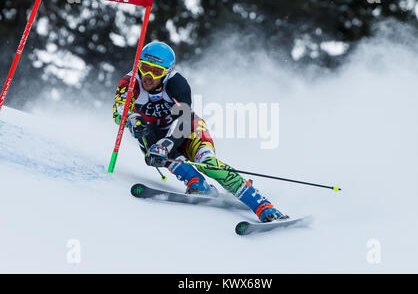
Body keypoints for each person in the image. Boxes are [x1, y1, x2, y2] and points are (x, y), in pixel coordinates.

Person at [113, 41, 288, 222]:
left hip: (188, 129)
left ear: (167, 73)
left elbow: (184, 120)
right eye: (144, 67)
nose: (148, 76)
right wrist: (131, 119)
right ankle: (196, 182)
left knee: (207, 163)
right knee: (144, 132)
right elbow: (117, 113)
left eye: (156, 71)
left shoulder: (177, 84)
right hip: (155, 134)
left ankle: (262, 205)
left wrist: (166, 144)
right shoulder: (130, 83)